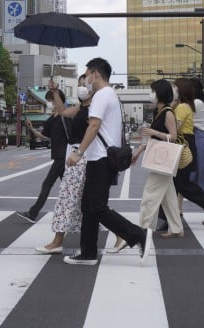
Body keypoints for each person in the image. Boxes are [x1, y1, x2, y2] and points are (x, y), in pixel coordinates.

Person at [65, 58, 153, 266]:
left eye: (87, 75)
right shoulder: (109, 95)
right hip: (102, 158)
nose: (85, 80)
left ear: (96, 74)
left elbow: (94, 125)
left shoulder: (102, 95)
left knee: (96, 207)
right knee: (88, 206)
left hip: (101, 158)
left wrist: (78, 152)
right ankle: (88, 252)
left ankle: (137, 234)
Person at [34, 76, 92, 254]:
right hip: (77, 155)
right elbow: (62, 110)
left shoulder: (95, 107)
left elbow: (94, 129)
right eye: (80, 84)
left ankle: (57, 241)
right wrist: (54, 91)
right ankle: (124, 235)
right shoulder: (81, 108)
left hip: (82, 157)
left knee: (67, 199)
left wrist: (79, 152)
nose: (81, 87)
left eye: (84, 84)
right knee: (89, 202)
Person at [130, 79, 183, 239]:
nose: (151, 94)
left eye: (153, 91)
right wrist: (139, 151)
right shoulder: (158, 112)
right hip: (160, 159)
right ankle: (176, 228)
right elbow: (151, 137)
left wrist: (154, 132)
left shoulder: (168, 112)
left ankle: (142, 230)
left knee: (149, 195)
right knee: (169, 197)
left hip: (163, 160)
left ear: (160, 93)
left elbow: (173, 137)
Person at [16, 80, 72, 223]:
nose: (49, 104)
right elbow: (44, 136)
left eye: (51, 101)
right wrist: (31, 128)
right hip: (60, 157)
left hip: (64, 157)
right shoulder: (52, 119)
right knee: (71, 190)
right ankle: (91, 215)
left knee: (48, 185)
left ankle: (33, 213)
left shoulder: (67, 116)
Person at [170, 78, 204, 226]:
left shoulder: (194, 104)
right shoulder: (198, 102)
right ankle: (179, 211)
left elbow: (177, 119)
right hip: (198, 139)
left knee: (201, 178)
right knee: (183, 178)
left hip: (197, 140)